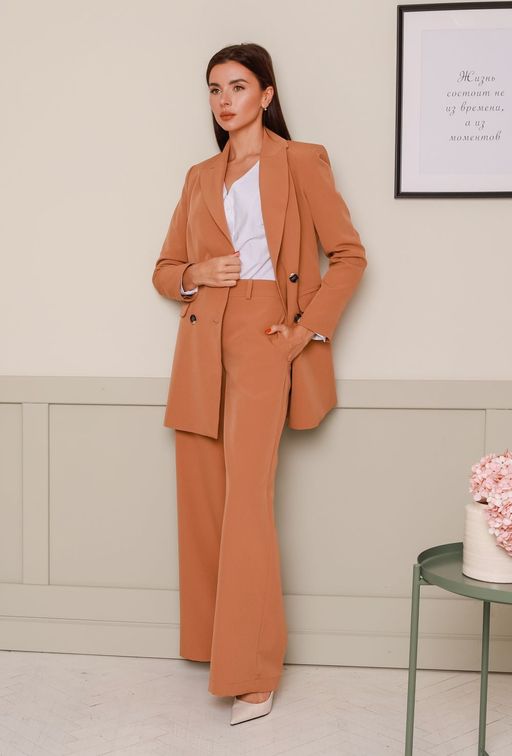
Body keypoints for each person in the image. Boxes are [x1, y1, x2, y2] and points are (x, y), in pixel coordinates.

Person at [152, 42, 367, 725]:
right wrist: (196, 274)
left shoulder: (300, 160)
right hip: (200, 339)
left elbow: (350, 255)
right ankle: (213, 646)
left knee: (247, 500)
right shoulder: (198, 176)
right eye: (215, 89)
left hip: (265, 335)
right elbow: (164, 269)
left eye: (239, 86)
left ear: (267, 94)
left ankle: (252, 672)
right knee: (203, 500)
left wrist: (304, 332)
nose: (225, 100)